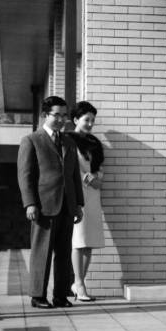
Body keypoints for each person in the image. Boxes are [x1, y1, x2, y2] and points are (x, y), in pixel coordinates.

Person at [17, 96, 84, 309]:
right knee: (42, 252)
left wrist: (79, 204)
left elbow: (74, 175)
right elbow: (25, 175)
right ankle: (38, 296)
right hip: (43, 206)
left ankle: (60, 295)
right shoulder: (31, 140)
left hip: (67, 205)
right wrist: (30, 203)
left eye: (65, 115)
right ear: (45, 115)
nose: (62, 119)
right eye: (57, 115)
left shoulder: (69, 141)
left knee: (64, 253)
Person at [66, 101, 105, 301]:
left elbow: (99, 172)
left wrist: (96, 179)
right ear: (75, 120)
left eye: (93, 120)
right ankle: (79, 283)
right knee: (78, 241)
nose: (90, 123)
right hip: (76, 195)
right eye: (86, 119)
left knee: (89, 243)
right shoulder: (67, 140)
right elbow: (67, 167)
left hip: (93, 197)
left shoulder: (95, 144)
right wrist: (84, 177)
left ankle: (79, 282)